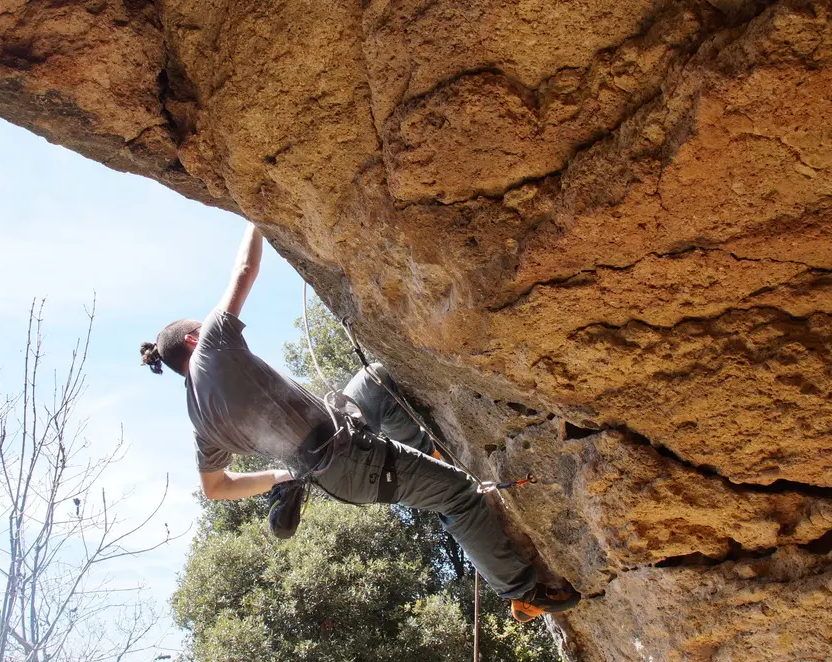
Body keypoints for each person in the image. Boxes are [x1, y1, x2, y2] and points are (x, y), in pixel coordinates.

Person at [139, 223, 579, 622]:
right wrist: (252, 213)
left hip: (335, 451)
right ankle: (523, 592)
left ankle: (429, 455)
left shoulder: (199, 420)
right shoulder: (212, 343)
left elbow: (215, 488)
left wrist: (282, 475)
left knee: (375, 381)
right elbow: (245, 269)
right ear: (194, 339)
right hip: (353, 461)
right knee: (460, 496)